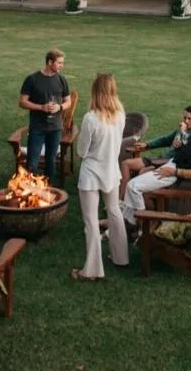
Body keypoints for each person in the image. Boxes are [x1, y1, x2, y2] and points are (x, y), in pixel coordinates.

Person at [72, 73, 129, 281]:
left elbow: (81, 151)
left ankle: (92, 271)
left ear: (95, 91)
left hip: (91, 174)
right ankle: (121, 257)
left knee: (91, 220)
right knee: (114, 212)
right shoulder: (121, 114)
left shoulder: (91, 118)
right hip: (111, 171)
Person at [121, 103, 191, 231]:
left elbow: (180, 154)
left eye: (189, 118)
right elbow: (179, 148)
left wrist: (179, 144)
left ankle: (142, 224)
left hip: (172, 171)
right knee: (133, 186)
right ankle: (127, 222)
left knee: (133, 186)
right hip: (171, 165)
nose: (186, 120)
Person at [18, 49, 72, 186]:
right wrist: (41, 107)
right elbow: (22, 102)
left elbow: (68, 101)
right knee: (33, 162)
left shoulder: (61, 80)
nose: (62, 66)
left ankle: (48, 188)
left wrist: (59, 107)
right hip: (38, 127)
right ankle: (30, 190)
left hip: (55, 128)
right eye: (59, 63)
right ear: (49, 62)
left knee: (51, 161)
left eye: (62, 63)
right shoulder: (32, 79)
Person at [118, 109, 191, 200]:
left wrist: (182, 132)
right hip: (158, 159)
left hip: (167, 164)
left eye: (189, 119)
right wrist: (147, 144)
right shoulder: (181, 130)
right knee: (125, 164)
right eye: (185, 118)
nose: (186, 121)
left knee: (142, 172)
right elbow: (165, 140)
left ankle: (138, 205)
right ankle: (122, 199)